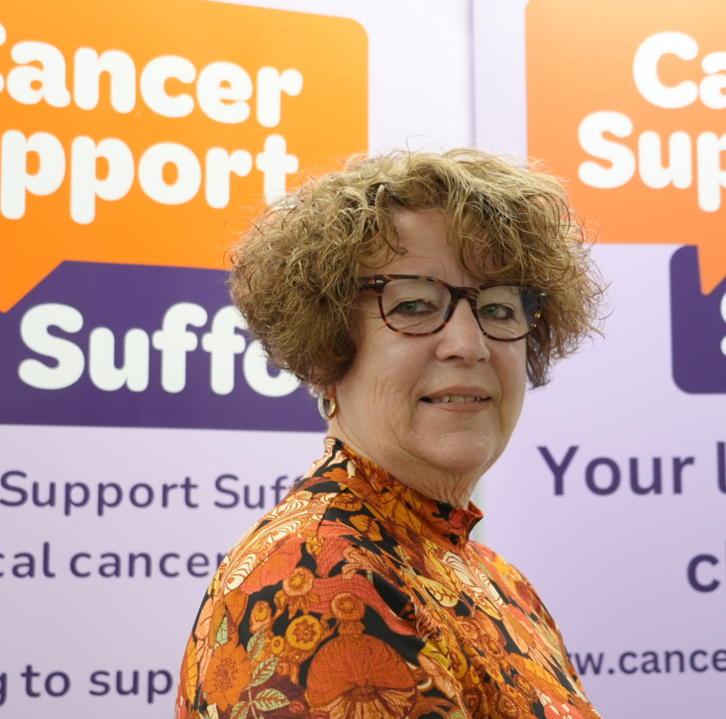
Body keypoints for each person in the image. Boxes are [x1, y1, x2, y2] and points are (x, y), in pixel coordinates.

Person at [175, 150, 604, 719]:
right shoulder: (318, 575)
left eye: (498, 308)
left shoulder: (496, 580)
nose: (469, 345)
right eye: (416, 305)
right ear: (327, 346)